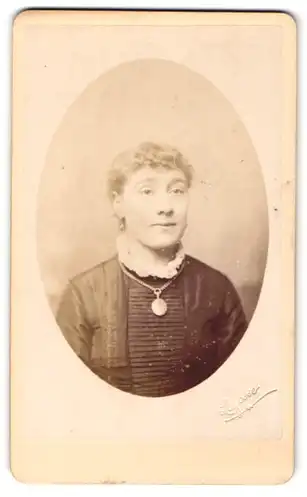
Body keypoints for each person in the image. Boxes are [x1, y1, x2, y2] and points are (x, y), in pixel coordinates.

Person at [56, 142, 248, 397]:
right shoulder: (82, 295)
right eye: (147, 191)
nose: (165, 207)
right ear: (118, 203)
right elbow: (66, 399)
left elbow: (238, 393)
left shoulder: (218, 289)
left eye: (177, 191)